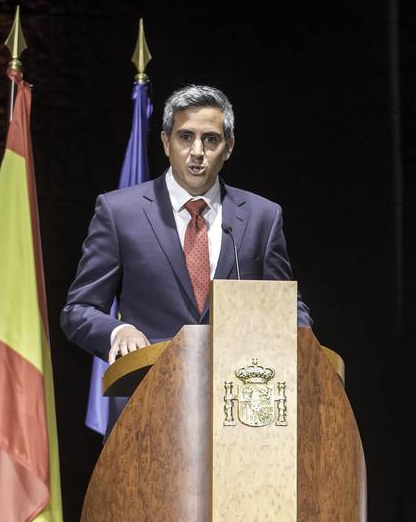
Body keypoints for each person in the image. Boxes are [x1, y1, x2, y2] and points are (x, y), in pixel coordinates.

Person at [61, 84, 312, 429]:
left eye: (210, 139)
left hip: (238, 421)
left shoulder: (262, 217)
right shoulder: (120, 212)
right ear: (166, 143)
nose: (197, 151)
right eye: (185, 137)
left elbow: (285, 305)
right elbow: (78, 310)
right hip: (147, 414)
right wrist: (118, 330)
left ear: (229, 147)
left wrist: (305, 342)